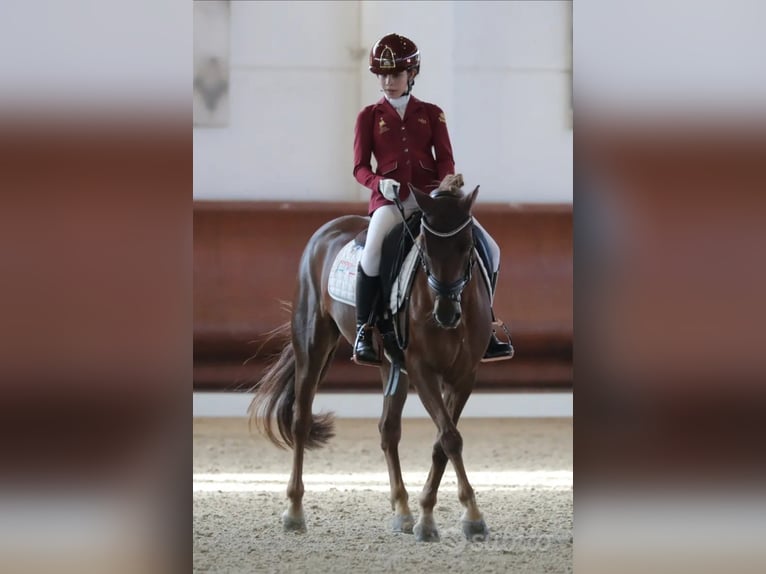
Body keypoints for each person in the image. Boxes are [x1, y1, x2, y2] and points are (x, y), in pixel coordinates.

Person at [352, 32, 513, 366]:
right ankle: (364, 329)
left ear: (411, 75)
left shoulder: (432, 113)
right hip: (392, 203)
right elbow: (358, 168)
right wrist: (379, 184)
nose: (387, 81)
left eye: (395, 74)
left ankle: (486, 324)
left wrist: (444, 190)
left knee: (492, 250)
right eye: (382, 75)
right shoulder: (368, 116)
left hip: (433, 202)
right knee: (371, 253)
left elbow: (446, 161)